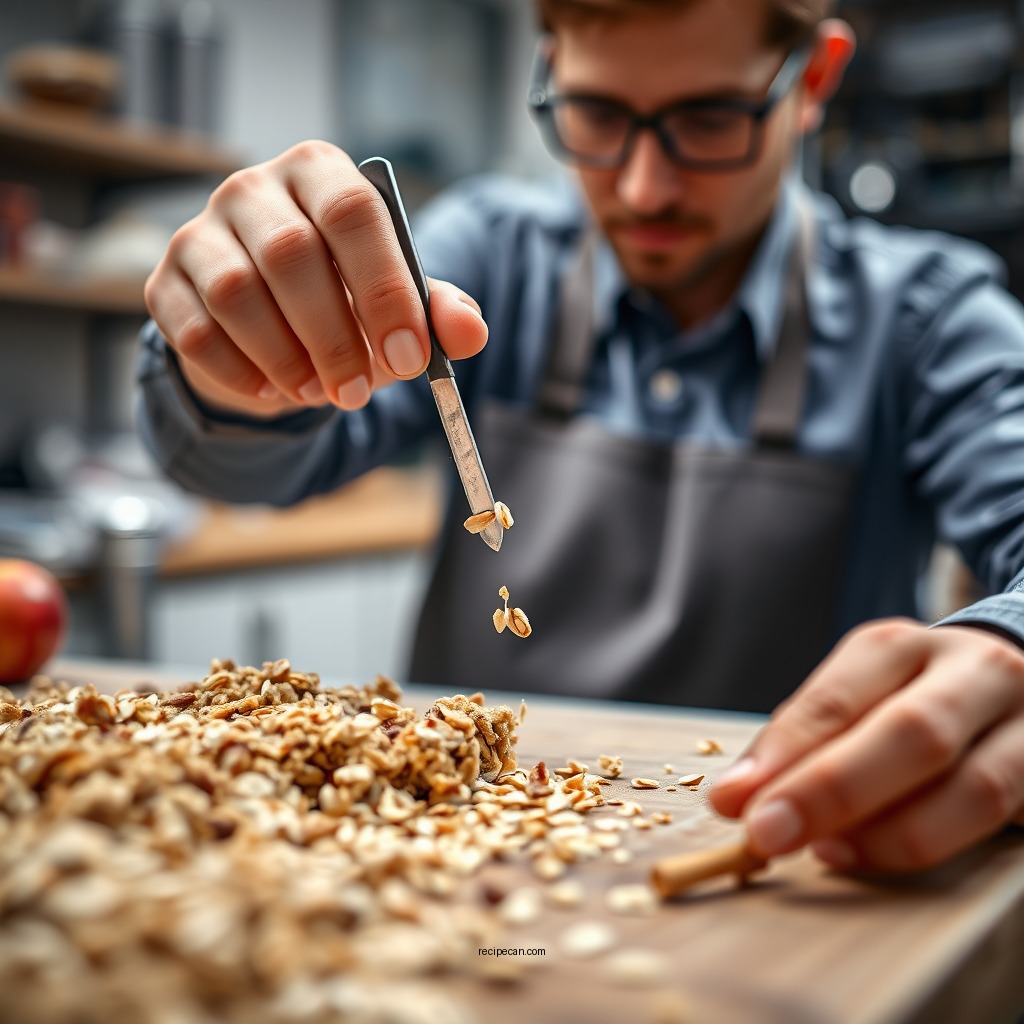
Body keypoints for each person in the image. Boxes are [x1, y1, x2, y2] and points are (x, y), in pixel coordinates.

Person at [137, 0, 1024, 875]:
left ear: (814, 80)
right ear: (552, 66)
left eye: (710, 119)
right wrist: (242, 367)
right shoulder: (488, 254)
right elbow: (248, 467)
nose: (644, 189)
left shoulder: (928, 319)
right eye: (597, 113)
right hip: (461, 858)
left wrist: (1008, 644)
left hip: (775, 858)